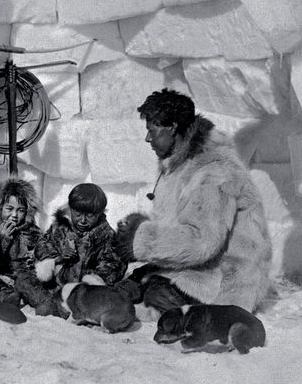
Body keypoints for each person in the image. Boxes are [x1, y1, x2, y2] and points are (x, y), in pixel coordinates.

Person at [112, 88, 273, 314]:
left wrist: (142, 240)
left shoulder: (213, 173)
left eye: (152, 131)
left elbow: (202, 242)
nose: (147, 138)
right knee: (133, 282)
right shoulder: (180, 162)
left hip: (227, 280)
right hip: (203, 265)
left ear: (173, 128)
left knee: (153, 294)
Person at [0, 178, 62, 317]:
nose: (14, 215)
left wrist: (50, 259)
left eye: (20, 211)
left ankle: (46, 307)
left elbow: (43, 248)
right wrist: (3, 240)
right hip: (1, 275)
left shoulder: (31, 230)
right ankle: (9, 300)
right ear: (0, 208)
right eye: (9, 209)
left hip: (25, 276)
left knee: (39, 292)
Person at [34, 183, 126, 289]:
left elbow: (114, 265)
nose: (82, 221)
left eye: (90, 216)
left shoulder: (107, 236)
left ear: (100, 213)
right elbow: (42, 246)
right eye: (77, 214)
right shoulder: (60, 227)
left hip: (85, 293)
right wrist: (59, 259)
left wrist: (92, 280)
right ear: (70, 209)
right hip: (56, 287)